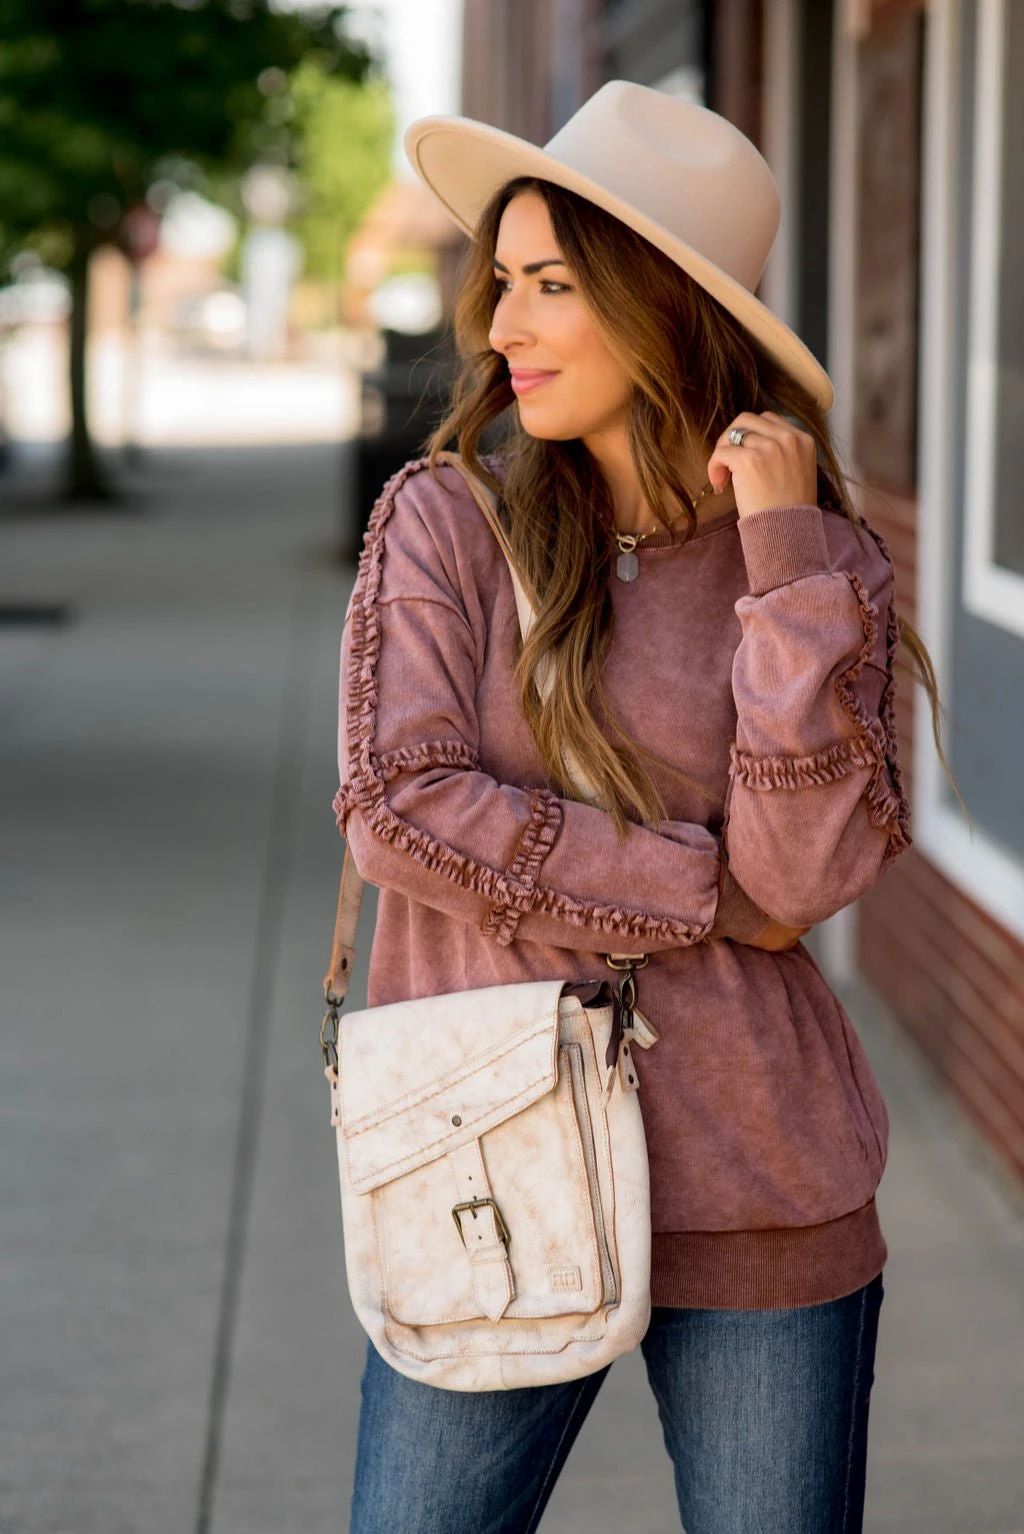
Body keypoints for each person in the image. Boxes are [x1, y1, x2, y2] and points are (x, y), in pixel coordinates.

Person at [335, 82, 931, 1534]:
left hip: (761, 1175)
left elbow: (801, 880)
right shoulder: (447, 522)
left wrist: (784, 558)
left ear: (665, 303)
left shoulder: (815, 562)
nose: (503, 327)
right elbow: (400, 807)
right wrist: (697, 886)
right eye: (502, 282)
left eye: (552, 285)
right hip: (486, 1164)